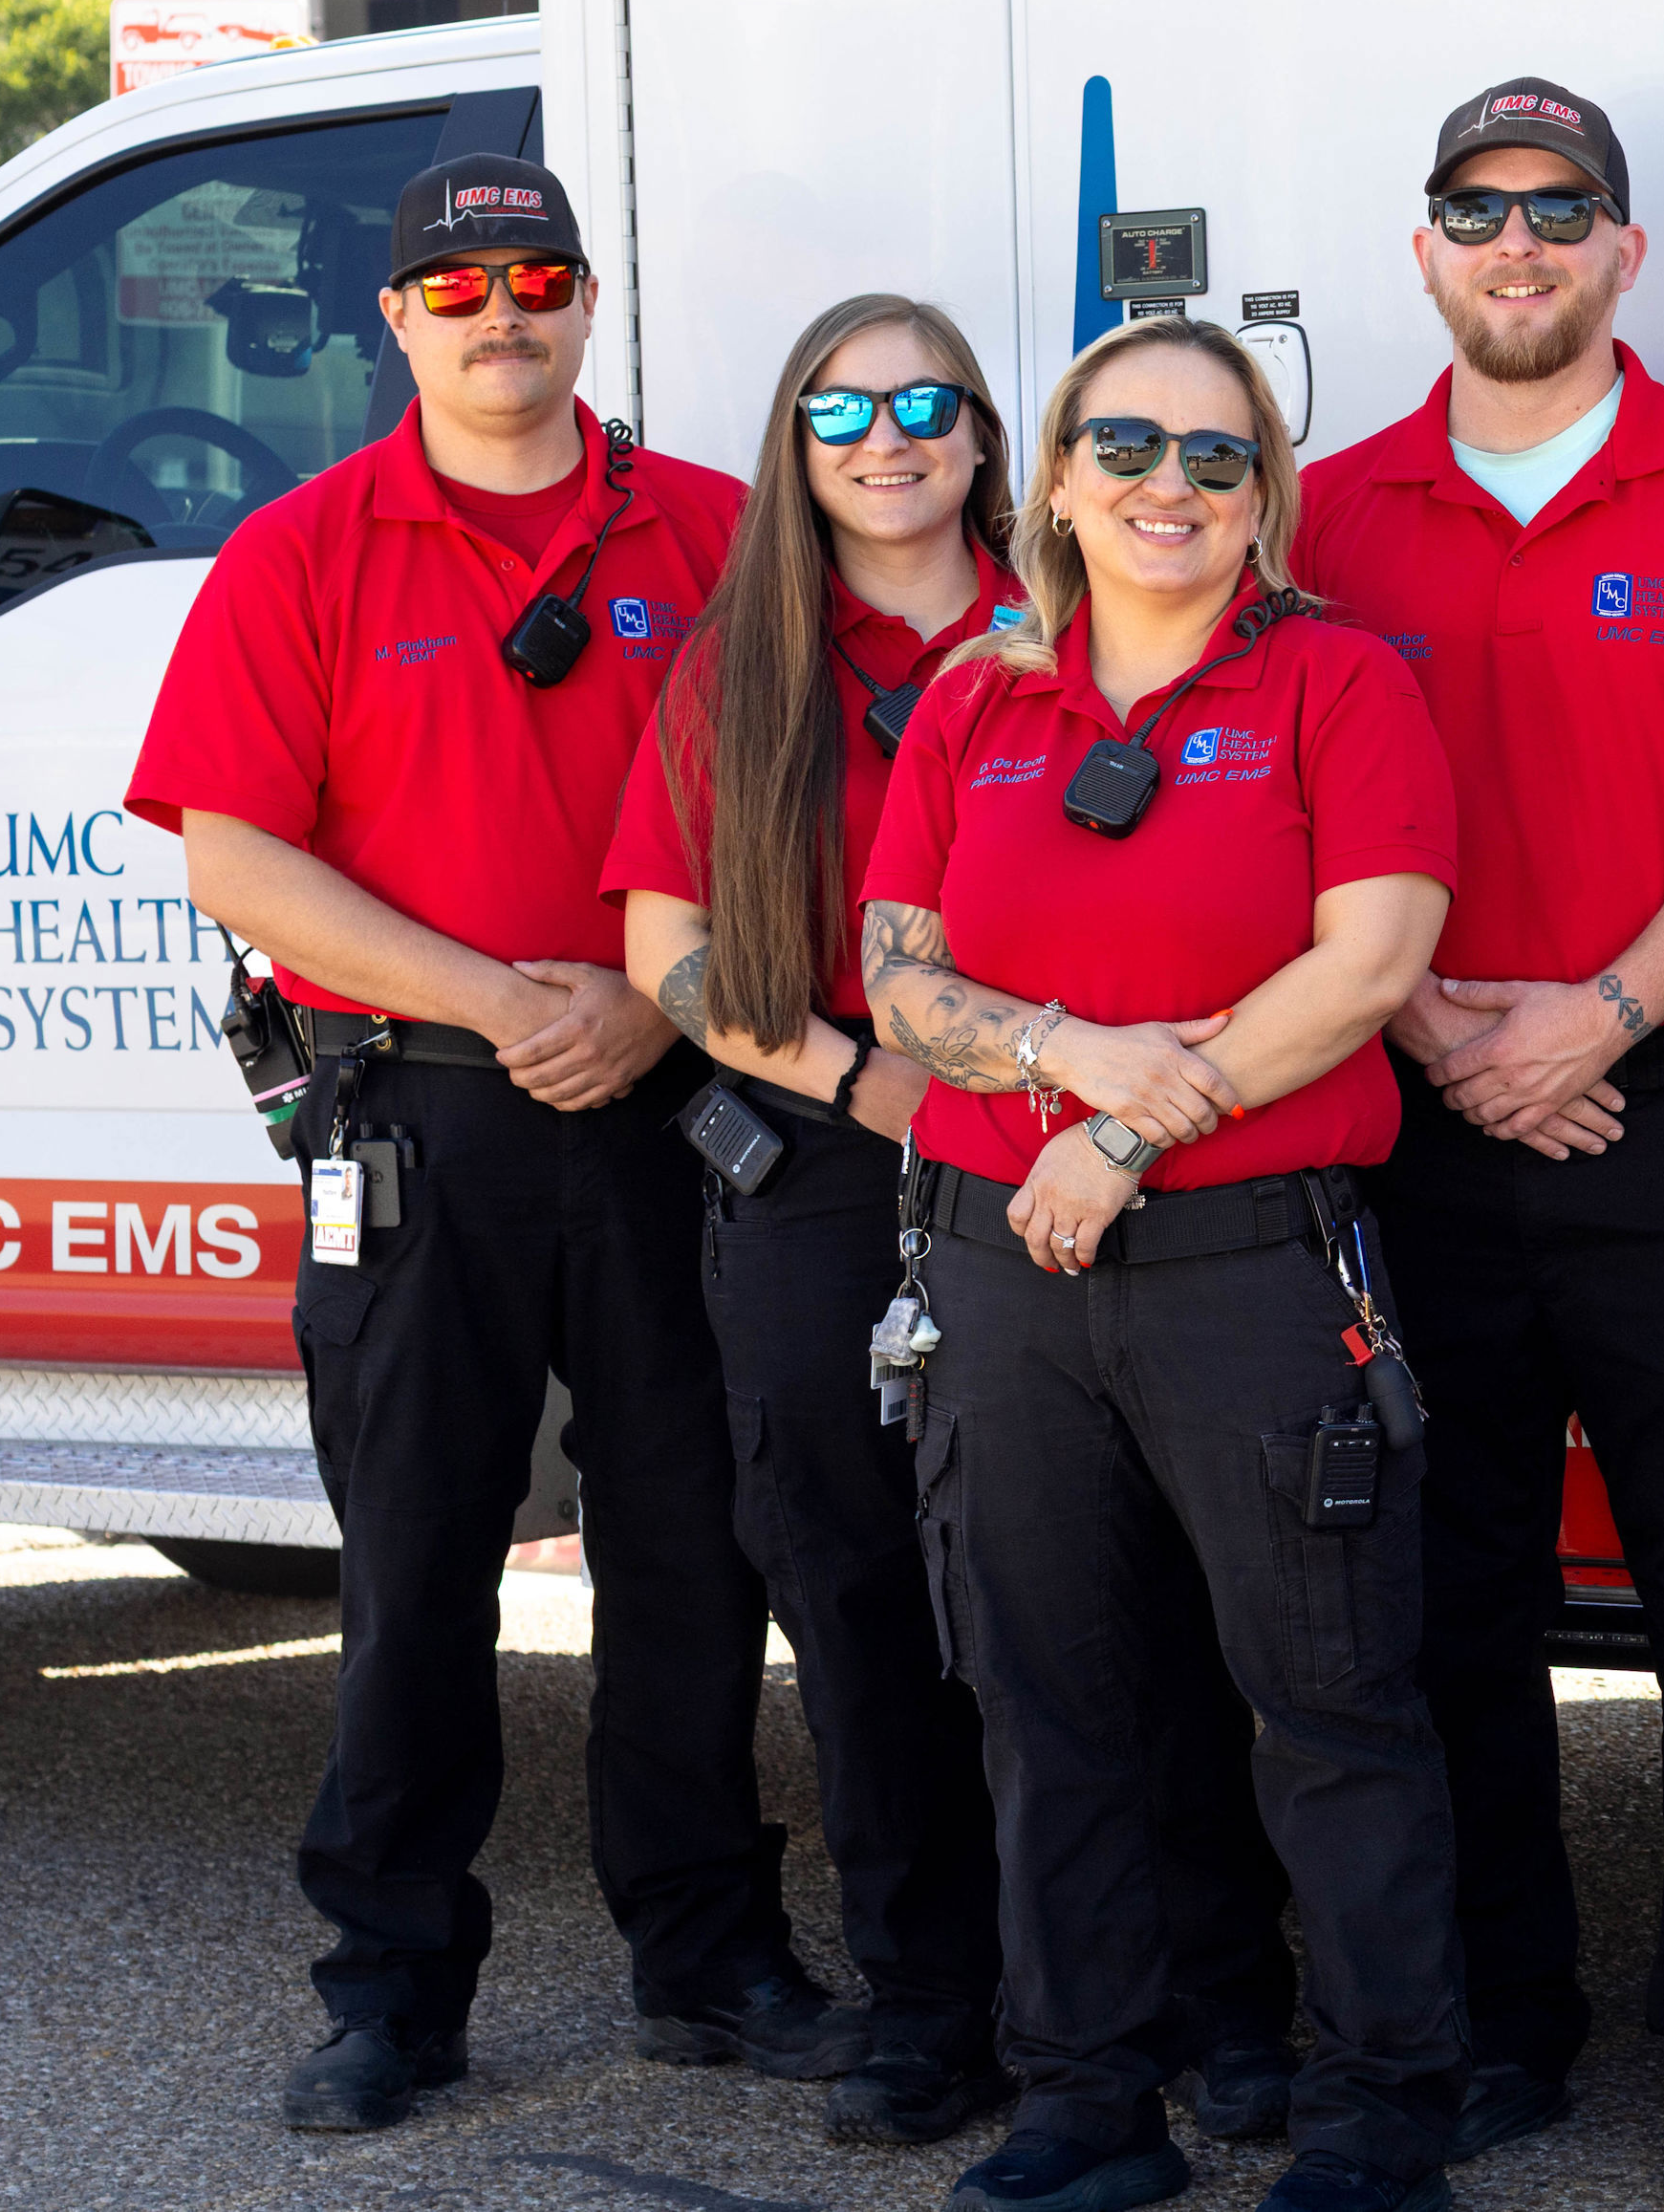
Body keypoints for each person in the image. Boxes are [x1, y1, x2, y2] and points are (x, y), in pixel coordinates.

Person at [128, 155, 831, 2132]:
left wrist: (650, 1001)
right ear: (396, 318)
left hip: (681, 1103)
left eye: (535, 276)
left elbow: (802, 806)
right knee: (416, 1564)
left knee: (692, 1553)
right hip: (419, 1118)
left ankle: (708, 1953)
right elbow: (234, 855)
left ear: (589, 300)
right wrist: (505, 1001)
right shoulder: (302, 549)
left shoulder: (717, 532)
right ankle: (390, 1986)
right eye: (455, 285)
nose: (498, 311)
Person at [606, 294, 1299, 2152]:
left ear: (994, 440)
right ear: (793, 443)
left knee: (1128, 1598)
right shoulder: (738, 665)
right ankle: (931, 1999)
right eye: (840, 410)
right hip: (832, 1171)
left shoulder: (1082, 628)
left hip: (1078, 1164)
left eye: (926, 403)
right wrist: (876, 1086)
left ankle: (1212, 1991)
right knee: (856, 1599)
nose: (887, 438)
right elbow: (665, 949)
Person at [1291, 75, 1664, 2196]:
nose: (1515, 244)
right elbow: (1281, 809)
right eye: (1476, 210)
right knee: (1442, 1589)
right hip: (1414, 1121)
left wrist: (1598, 1010)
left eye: (1558, 209)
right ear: (1422, 249)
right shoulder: (1323, 516)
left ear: (1623, 247)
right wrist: (1436, 1022)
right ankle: (1495, 2017)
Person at [859, 313, 1467, 2212]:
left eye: (1217, 455)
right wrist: (1063, 1049)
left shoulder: (1338, 682)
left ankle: (1380, 2118)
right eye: (1124, 445)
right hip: (1000, 1272)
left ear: (1265, 498)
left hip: (1253, 1266)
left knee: (1328, 1702)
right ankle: (1084, 2106)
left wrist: (1124, 1128)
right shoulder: (971, 702)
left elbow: (1369, 962)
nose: (1167, 485)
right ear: (1053, 481)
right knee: (1047, 1706)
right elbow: (897, 977)